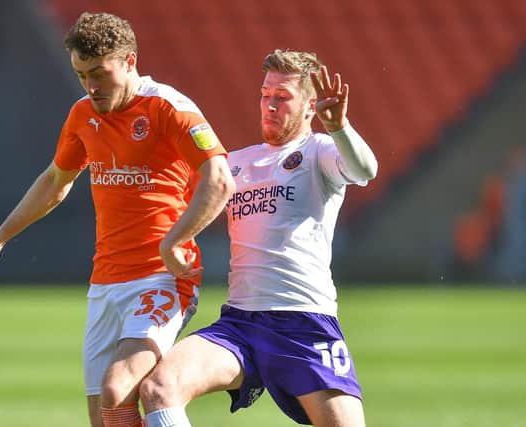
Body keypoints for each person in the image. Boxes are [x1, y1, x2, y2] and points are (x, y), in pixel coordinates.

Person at [0, 12, 234, 427]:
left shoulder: (167, 107)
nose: (91, 87)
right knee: (105, 416)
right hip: (106, 282)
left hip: (162, 278)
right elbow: (56, 181)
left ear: (129, 61)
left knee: (117, 388)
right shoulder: (82, 116)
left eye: (99, 73)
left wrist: (174, 241)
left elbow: (219, 178)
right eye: (80, 75)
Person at [139, 49, 378, 427]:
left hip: (303, 323)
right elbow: (181, 205)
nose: (269, 105)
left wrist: (339, 127)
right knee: (158, 389)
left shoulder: (318, 151)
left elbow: (365, 169)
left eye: (282, 98)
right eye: (265, 95)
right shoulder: (235, 162)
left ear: (309, 105)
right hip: (241, 324)